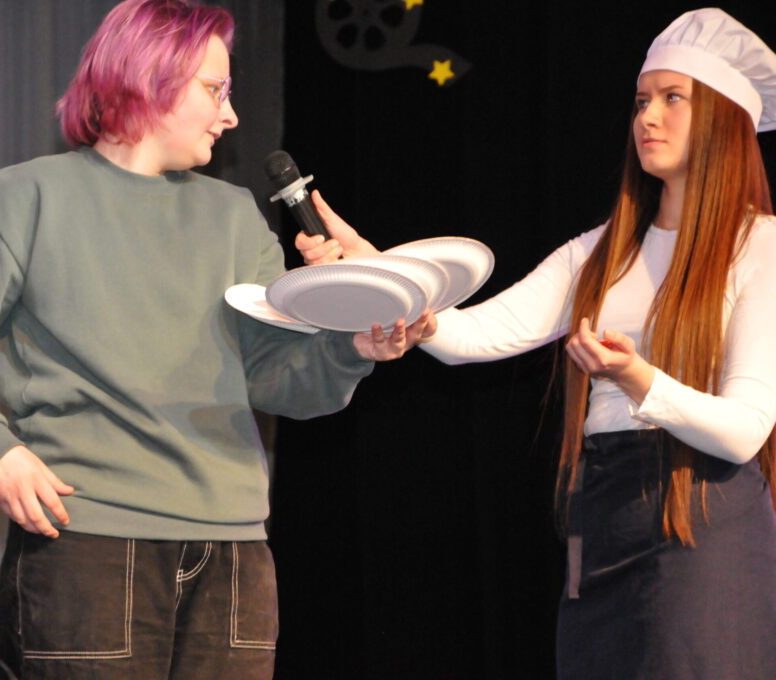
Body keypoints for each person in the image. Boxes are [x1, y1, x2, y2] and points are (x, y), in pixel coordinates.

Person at [0, 1, 434, 678]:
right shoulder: (27, 198)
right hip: (90, 543)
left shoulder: (234, 217)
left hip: (234, 553)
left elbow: (276, 378)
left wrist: (350, 348)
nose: (231, 116)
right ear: (151, 76)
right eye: (215, 90)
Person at [297, 8, 776, 679]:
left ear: (726, 120)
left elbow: (745, 431)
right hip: (603, 518)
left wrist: (639, 379)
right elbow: (475, 334)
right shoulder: (601, 251)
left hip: (702, 522)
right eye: (642, 101)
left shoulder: (760, 247)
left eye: (674, 98)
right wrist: (383, 278)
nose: (648, 117)